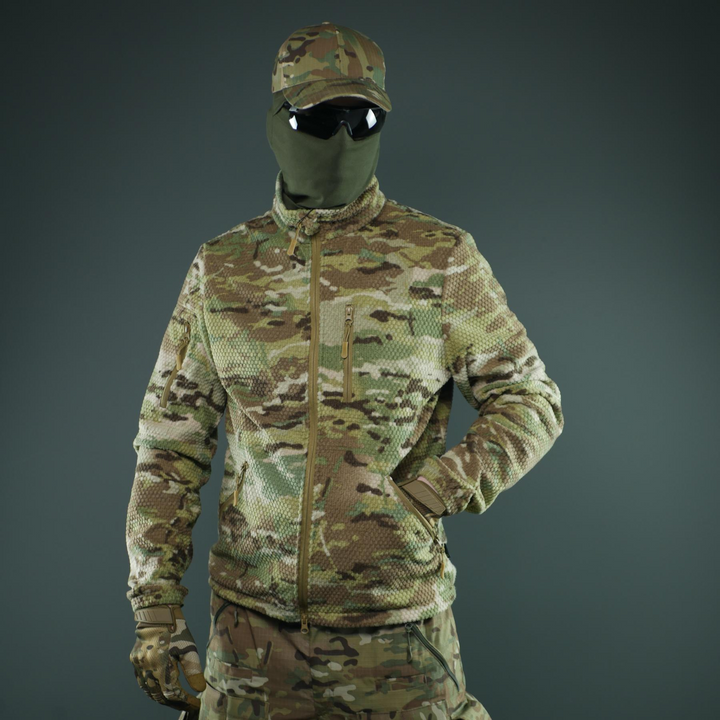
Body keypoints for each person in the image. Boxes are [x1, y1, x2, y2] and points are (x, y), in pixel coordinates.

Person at [126, 21, 564, 720]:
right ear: (278, 121)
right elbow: (169, 446)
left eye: (364, 121)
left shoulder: (438, 259)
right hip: (250, 643)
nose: (343, 140)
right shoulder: (224, 269)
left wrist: (434, 491)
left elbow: (530, 399)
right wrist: (155, 612)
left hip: (399, 639)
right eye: (319, 119)